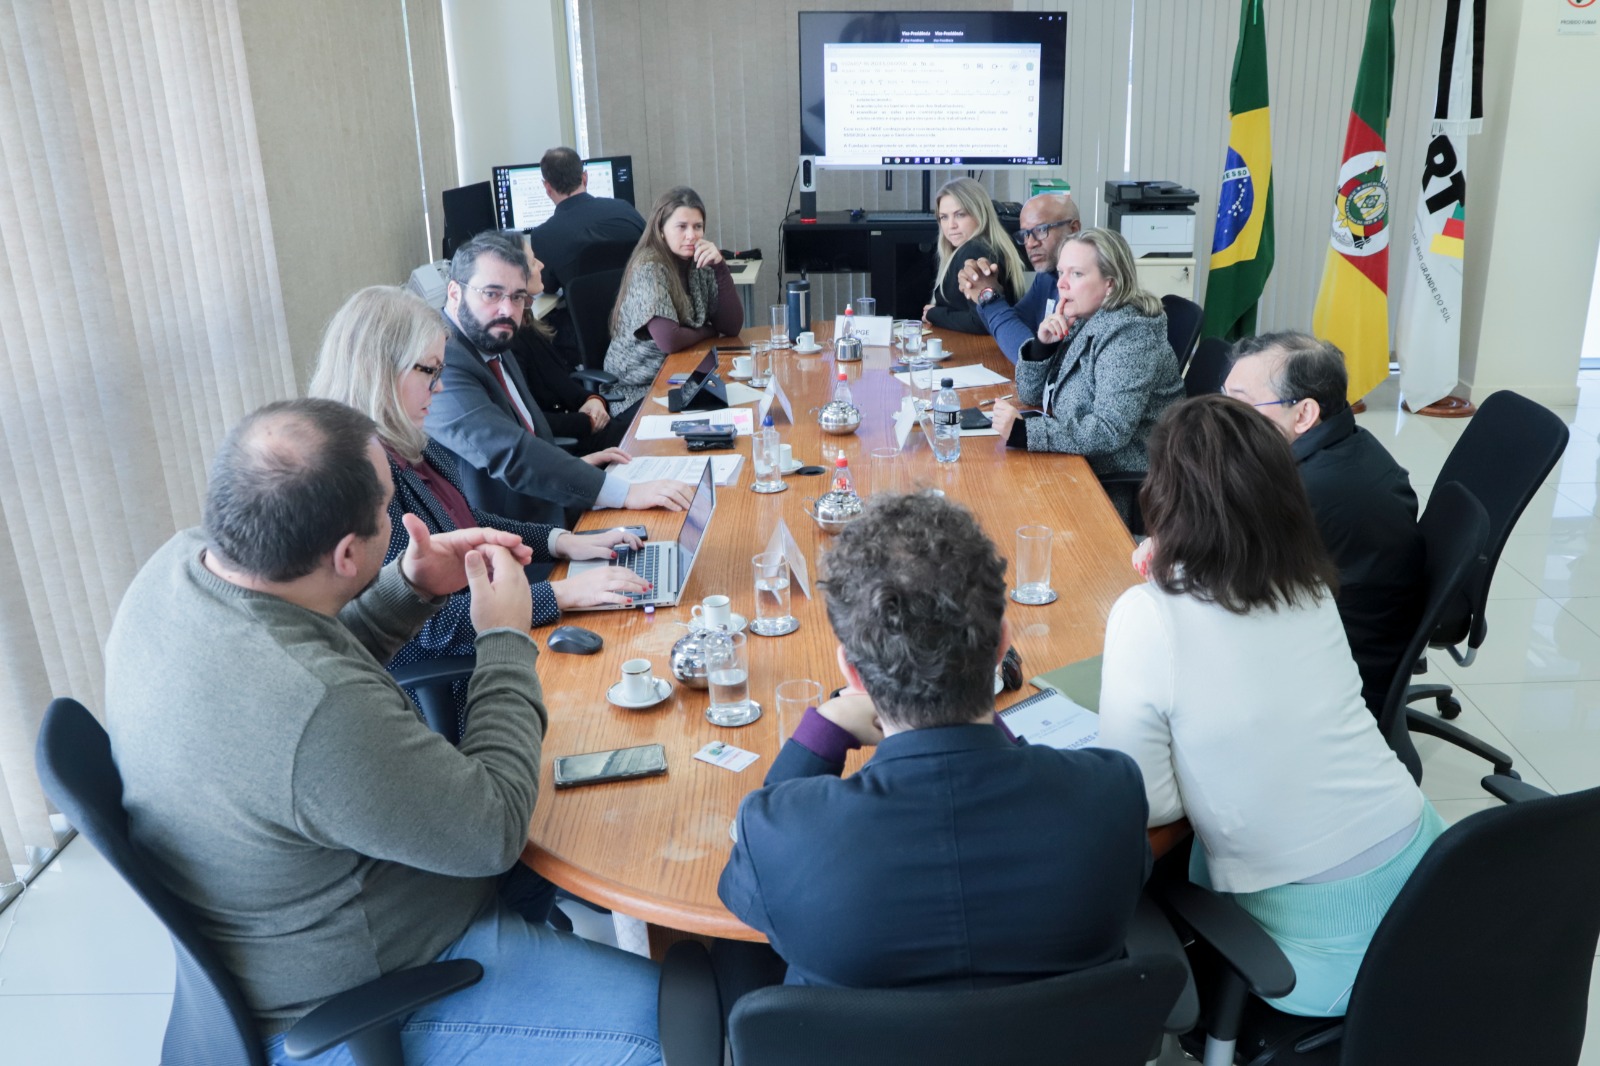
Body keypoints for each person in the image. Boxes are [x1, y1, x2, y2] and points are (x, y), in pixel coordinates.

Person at [104, 398, 663, 1064]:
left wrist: (410, 584)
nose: (401, 521)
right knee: (684, 1023)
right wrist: (506, 637)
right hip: (368, 987)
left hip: (296, 914)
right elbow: (493, 831)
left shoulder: (178, 569)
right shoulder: (316, 711)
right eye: (388, 514)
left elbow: (310, 652)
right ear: (346, 554)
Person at [1097, 395, 1444, 1019]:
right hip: (1432, 873)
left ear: (1162, 497)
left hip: (1327, 946)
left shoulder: (1149, 617)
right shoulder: (1308, 583)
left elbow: (1145, 802)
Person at [719, 492, 1151, 990]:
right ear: (1003, 644)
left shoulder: (783, 834)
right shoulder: (1110, 795)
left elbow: (746, 871)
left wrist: (826, 726)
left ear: (853, 674)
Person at [309, 285, 649, 735]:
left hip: (493, 639)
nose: (441, 386)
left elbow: (468, 522)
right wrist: (560, 596)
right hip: (457, 685)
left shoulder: (412, 442)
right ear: (380, 371)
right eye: (429, 371)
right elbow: (421, 633)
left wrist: (563, 541)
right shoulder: (364, 481)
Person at [424, 230, 692, 528]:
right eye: (491, 293)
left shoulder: (490, 337)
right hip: (519, 532)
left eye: (517, 297)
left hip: (550, 504)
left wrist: (577, 469)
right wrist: (624, 492)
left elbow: (532, 432)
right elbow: (512, 454)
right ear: (454, 293)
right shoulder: (442, 361)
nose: (507, 309)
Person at [1223, 332, 1425, 714]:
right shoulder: (1344, 440)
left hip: (1338, 673)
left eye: (1241, 403)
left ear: (1303, 414)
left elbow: (1225, 586)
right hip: (1341, 626)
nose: (1223, 413)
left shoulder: (1309, 492)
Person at [990, 228, 1184, 477]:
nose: (1061, 283)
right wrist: (1042, 346)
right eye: (1061, 272)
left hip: (1115, 477)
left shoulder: (1130, 335)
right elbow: (1030, 394)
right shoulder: (1084, 317)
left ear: (1110, 284)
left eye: (1077, 274)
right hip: (1078, 459)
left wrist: (1025, 431)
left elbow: (1108, 430)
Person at [604, 186, 743, 415]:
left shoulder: (699, 261)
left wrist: (720, 267)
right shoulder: (649, 267)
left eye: (698, 226)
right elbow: (669, 339)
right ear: (661, 230)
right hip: (638, 386)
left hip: (681, 373)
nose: (692, 235)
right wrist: (709, 331)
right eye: (682, 227)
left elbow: (731, 326)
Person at [509, 236, 631, 454]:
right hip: (568, 446)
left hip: (584, 424)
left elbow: (563, 383)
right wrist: (588, 422)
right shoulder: (511, 342)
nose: (541, 265)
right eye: (533, 261)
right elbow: (531, 419)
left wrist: (593, 399)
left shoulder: (529, 326)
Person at [955, 191, 1082, 363]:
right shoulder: (1046, 277)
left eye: (1041, 230)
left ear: (1073, 229)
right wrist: (981, 287)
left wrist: (989, 297)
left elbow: (1026, 357)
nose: (1030, 243)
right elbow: (1010, 330)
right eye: (1025, 234)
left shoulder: (1083, 285)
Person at [527, 146, 646, 297]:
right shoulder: (625, 210)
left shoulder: (543, 236)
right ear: (585, 178)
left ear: (548, 187)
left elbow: (548, 287)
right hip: (641, 310)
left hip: (586, 319)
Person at [923, 176, 1027, 334]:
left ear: (980, 214)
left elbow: (981, 322)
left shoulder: (974, 252)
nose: (951, 225)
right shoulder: (988, 245)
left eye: (960, 215)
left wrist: (934, 314)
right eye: (944, 217)